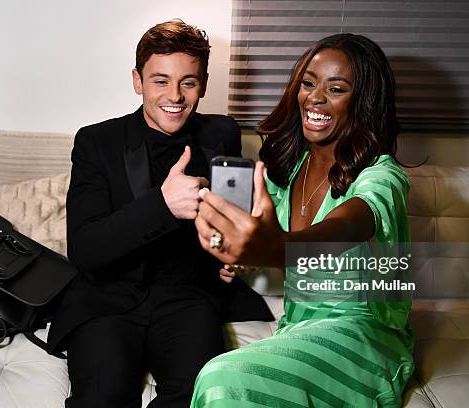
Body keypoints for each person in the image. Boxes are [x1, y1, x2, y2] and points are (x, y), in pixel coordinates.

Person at [47, 20, 273, 408]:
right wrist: (161, 206)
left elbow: (226, 216)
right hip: (107, 298)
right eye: (160, 81)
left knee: (201, 398)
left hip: (187, 296)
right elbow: (84, 249)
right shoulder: (96, 141)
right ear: (137, 81)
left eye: (188, 82)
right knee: (102, 399)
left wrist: (227, 256)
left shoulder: (222, 134)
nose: (175, 96)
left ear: (202, 83)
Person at [192, 33, 414, 407]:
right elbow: (268, 241)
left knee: (221, 378)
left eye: (337, 88)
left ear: (363, 101)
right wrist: (245, 256)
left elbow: (349, 224)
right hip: (297, 325)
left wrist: (280, 249)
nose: (315, 97)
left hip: (363, 332)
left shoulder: (381, 175)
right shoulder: (292, 169)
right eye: (308, 83)